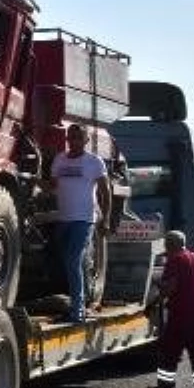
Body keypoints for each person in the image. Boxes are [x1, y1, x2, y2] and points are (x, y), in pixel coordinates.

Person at [50, 123, 112, 323]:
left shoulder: (94, 162)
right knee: (68, 262)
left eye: (78, 138)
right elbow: (52, 186)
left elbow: (106, 191)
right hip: (63, 219)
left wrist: (106, 219)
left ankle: (77, 311)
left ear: (86, 140)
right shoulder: (59, 160)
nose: (73, 141)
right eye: (70, 137)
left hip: (84, 220)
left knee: (72, 259)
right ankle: (84, 302)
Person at [147, 230, 194, 388]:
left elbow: (171, 288)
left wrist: (155, 290)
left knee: (169, 352)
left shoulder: (175, 260)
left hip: (182, 315)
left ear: (170, 245)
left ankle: (166, 387)